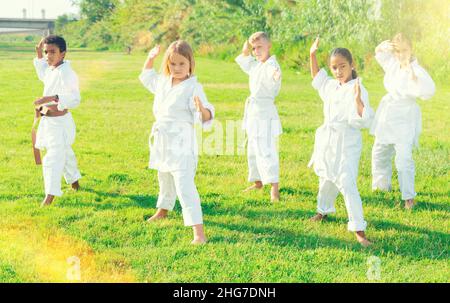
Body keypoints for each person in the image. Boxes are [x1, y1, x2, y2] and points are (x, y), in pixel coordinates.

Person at [139, 40, 215, 244]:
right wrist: (151, 57)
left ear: (190, 63)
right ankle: (162, 210)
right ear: (167, 64)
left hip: (181, 143)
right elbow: (146, 77)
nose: (177, 68)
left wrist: (202, 110)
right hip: (163, 139)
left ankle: (198, 232)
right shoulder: (164, 81)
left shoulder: (193, 87)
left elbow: (207, 114)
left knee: (184, 185)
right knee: (164, 176)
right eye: (173, 64)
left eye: (182, 64)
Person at [308, 37, 374, 247]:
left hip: (347, 142)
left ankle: (359, 229)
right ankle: (323, 210)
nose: (338, 71)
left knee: (346, 182)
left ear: (351, 65)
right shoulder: (331, 86)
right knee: (326, 178)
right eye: (334, 67)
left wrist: (358, 102)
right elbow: (318, 77)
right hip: (328, 140)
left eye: (342, 66)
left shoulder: (358, 88)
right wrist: (312, 54)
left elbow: (364, 119)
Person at [371, 33, 436, 210]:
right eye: (397, 51)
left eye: (404, 50)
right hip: (388, 114)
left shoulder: (416, 70)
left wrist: (414, 76)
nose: (401, 54)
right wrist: (383, 46)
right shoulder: (392, 64)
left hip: (405, 117)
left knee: (403, 157)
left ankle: (408, 197)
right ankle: (381, 186)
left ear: (411, 49)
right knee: (380, 151)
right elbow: (379, 54)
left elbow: (429, 91)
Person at [33, 35, 82, 207]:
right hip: (49, 121)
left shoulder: (67, 73)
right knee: (65, 152)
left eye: (52, 52)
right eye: (46, 52)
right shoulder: (52, 69)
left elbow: (75, 99)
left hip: (60, 123)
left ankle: (50, 195)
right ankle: (74, 181)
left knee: (53, 158)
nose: (48, 56)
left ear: (63, 53)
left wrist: (52, 97)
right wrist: (39, 53)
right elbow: (42, 73)